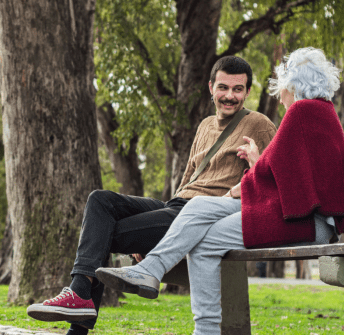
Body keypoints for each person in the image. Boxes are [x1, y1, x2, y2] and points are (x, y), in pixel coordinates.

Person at [95, 47, 344, 335]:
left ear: (294, 85)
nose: (279, 97)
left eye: (281, 88)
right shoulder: (320, 112)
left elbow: (270, 169)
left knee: (204, 241)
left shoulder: (302, 112)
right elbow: (282, 171)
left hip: (306, 222)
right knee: (197, 207)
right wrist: (253, 173)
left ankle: (202, 328)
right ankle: (151, 272)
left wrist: (238, 188)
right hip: (295, 213)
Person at [25, 56, 277, 335]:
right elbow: (188, 178)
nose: (229, 96)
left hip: (202, 214)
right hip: (177, 206)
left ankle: (78, 313)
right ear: (210, 87)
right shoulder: (205, 125)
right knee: (100, 201)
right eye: (223, 87)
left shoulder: (259, 124)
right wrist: (153, 223)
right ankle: (79, 295)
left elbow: (273, 179)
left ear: (248, 91)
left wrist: (255, 162)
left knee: (102, 235)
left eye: (238, 89)